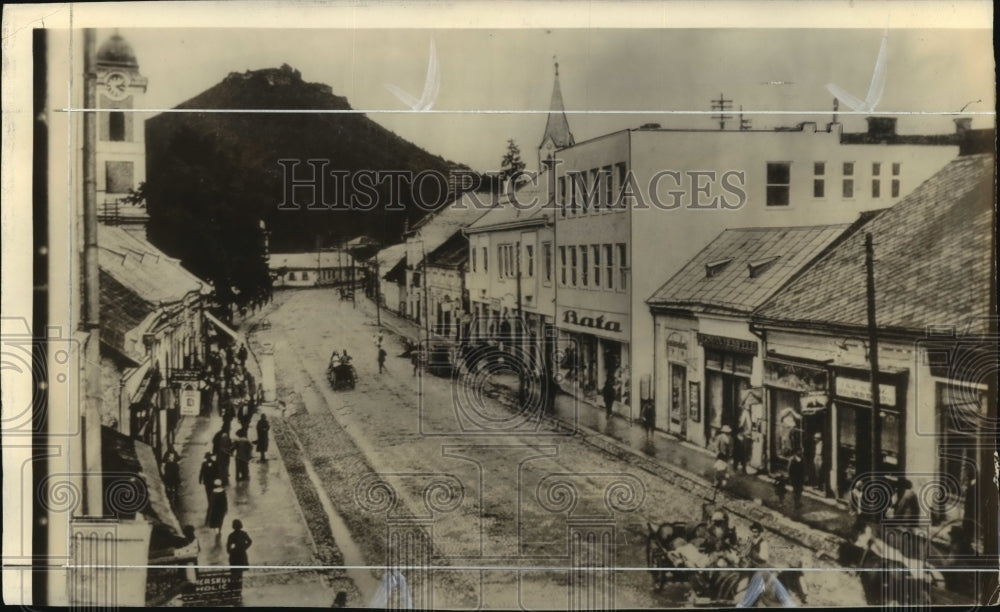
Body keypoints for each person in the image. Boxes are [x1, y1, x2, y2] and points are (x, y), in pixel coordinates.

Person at [736, 522, 797, 608]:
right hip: (751, 564)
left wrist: (754, 554)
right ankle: (740, 591)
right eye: (753, 531)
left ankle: (758, 597)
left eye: (756, 532)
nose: (754, 534)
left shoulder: (763, 543)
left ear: (760, 532)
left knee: (761, 578)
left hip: (760, 565)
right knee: (743, 574)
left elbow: (764, 557)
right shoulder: (750, 540)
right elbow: (745, 550)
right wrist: (742, 553)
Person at [226, 519, 253, 590]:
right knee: (239, 572)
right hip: (241, 555)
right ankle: (238, 586)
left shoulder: (231, 535)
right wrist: (244, 547)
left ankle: (234, 586)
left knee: (234, 572)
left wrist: (231, 551)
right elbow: (250, 541)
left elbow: (228, 547)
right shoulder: (243, 534)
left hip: (235, 556)